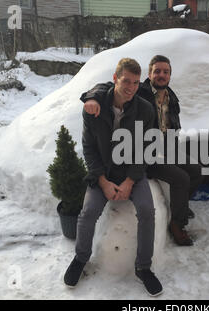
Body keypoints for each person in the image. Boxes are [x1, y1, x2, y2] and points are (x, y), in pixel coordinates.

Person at [64, 58, 163, 297]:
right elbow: (89, 147)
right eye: (126, 81)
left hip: (133, 174)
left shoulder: (146, 110)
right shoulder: (94, 107)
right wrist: (102, 181)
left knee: (148, 211)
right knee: (87, 213)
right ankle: (80, 258)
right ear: (115, 79)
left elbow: (146, 150)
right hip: (103, 174)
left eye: (136, 83)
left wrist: (130, 181)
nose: (130, 87)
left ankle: (143, 267)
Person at [83, 55, 202, 247]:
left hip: (166, 147)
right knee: (181, 178)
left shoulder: (172, 98)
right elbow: (107, 87)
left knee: (196, 169)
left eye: (166, 71)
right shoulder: (139, 91)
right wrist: (92, 97)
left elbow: (173, 126)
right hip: (146, 152)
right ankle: (177, 224)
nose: (161, 75)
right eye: (157, 71)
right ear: (150, 74)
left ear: (170, 75)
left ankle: (180, 206)